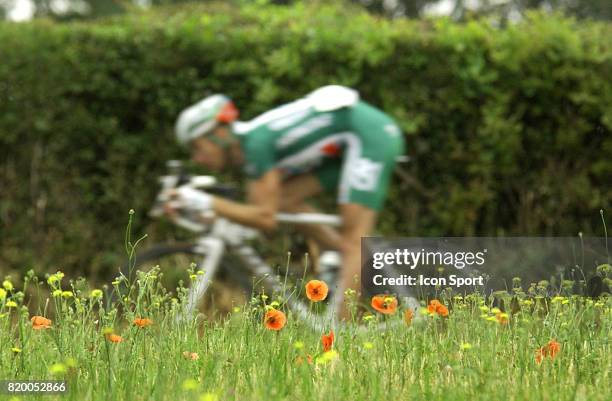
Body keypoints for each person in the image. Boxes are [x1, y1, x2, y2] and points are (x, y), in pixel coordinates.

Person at [169, 85, 405, 319]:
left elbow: (264, 218)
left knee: (354, 241)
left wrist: (205, 201)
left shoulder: (255, 147)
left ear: (219, 134)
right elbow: (256, 218)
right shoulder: (248, 151)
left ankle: (340, 336)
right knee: (283, 200)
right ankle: (345, 258)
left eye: (197, 147)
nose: (196, 159)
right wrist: (200, 210)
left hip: (369, 137)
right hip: (345, 143)